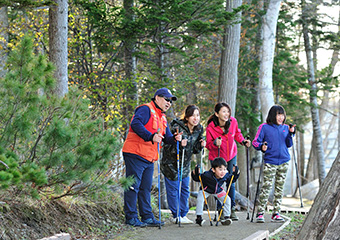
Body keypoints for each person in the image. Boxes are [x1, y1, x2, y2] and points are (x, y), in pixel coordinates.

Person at [122, 88, 182, 227]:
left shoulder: (162, 117)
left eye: (171, 101)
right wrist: (150, 136)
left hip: (149, 157)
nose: (169, 103)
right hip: (135, 153)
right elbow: (135, 124)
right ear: (157, 98)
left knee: (145, 188)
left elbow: (166, 138)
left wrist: (175, 139)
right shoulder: (145, 109)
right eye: (167, 99)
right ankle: (131, 218)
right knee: (132, 187)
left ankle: (147, 217)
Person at [160, 105, 206, 224]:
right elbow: (168, 145)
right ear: (187, 117)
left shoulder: (199, 129)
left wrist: (200, 145)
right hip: (171, 163)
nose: (195, 118)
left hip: (185, 164)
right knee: (174, 189)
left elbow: (194, 150)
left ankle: (183, 214)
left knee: (185, 188)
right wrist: (179, 144)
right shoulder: (176, 127)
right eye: (192, 115)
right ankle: (176, 215)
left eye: (197, 115)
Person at [205, 102, 250, 221]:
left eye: (228, 111)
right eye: (224, 111)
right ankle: (220, 209)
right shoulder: (211, 126)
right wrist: (215, 143)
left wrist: (243, 141)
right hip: (217, 157)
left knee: (231, 182)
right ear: (217, 113)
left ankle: (231, 209)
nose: (227, 114)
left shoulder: (233, 121)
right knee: (217, 183)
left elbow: (237, 134)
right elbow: (208, 145)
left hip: (231, 155)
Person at [252, 105, 295, 223]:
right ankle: (260, 212)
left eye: (282, 115)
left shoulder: (286, 128)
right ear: (272, 115)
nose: (281, 117)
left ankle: (276, 213)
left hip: (284, 161)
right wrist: (262, 147)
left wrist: (291, 133)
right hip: (270, 161)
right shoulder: (264, 127)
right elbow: (255, 142)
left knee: (279, 188)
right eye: (278, 114)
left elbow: (289, 144)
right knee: (266, 187)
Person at [191, 157, 240, 226]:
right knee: (200, 199)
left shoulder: (225, 175)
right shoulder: (207, 175)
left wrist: (236, 174)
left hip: (217, 191)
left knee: (227, 199)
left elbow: (231, 180)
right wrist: (195, 173)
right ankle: (199, 218)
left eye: (224, 169)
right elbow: (197, 178)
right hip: (206, 190)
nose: (222, 172)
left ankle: (226, 217)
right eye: (220, 170)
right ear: (213, 170)